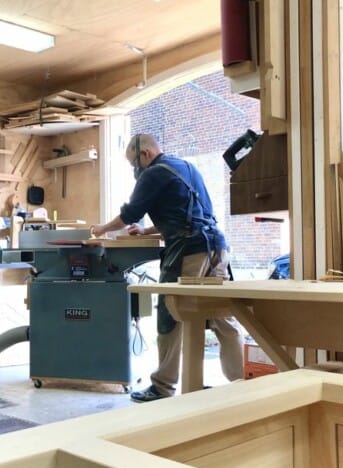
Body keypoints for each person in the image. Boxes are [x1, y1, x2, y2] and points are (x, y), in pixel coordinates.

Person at [90, 134, 244, 402]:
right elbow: (188, 214)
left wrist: (100, 229)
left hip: (189, 250)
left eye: (133, 163)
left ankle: (163, 387)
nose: (134, 169)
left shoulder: (153, 173)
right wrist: (148, 230)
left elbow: (129, 214)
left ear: (146, 153)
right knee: (222, 316)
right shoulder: (186, 167)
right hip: (217, 248)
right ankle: (242, 381)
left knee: (171, 314)